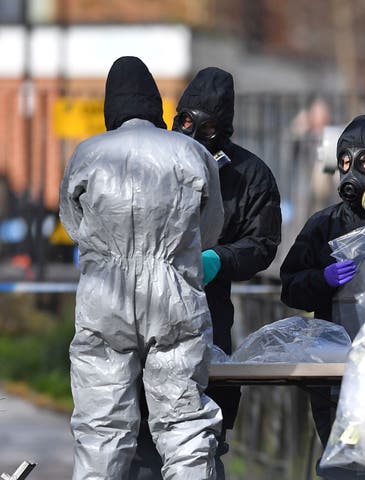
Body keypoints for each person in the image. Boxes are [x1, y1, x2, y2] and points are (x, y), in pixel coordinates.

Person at [59, 56, 224, 479]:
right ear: (156, 105)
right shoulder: (191, 152)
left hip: (104, 294)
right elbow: (209, 229)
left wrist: (109, 254)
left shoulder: (87, 154)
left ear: (110, 108)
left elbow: (73, 224)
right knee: (183, 423)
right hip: (173, 291)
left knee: (100, 428)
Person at [132, 66, 282, 480]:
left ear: (224, 129)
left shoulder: (249, 176)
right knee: (143, 438)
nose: (192, 131)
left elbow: (262, 242)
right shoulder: (152, 161)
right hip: (145, 306)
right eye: (185, 120)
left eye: (206, 125)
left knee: (199, 436)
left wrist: (219, 260)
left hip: (208, 315)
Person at [280, 114, 365, 480]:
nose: (352, 171)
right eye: (345, 162)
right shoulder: (323, 225)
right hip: (334, 373)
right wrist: (321, 280)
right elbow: (290, 286)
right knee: (341, 466)